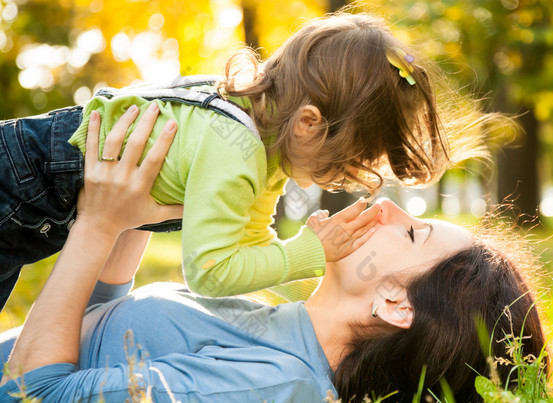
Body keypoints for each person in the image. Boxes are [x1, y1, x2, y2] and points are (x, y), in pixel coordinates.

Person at [0, 107, 545, 403]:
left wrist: (96, 224)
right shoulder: (266, 322)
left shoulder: (270, 386)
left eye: (411, 235)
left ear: (396, 303)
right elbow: (99, 338)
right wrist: (142, 209)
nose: (384, 209)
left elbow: (33, 392)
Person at [0, 12, 506, 310]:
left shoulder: (265, 145)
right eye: (349, 161)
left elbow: (251, 239)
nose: (348, 179)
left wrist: (299, 288)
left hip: (34, 203)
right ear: (309, 123)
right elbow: (209, 271)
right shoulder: (236, 149)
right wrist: (307, 253)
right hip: (16, 184)